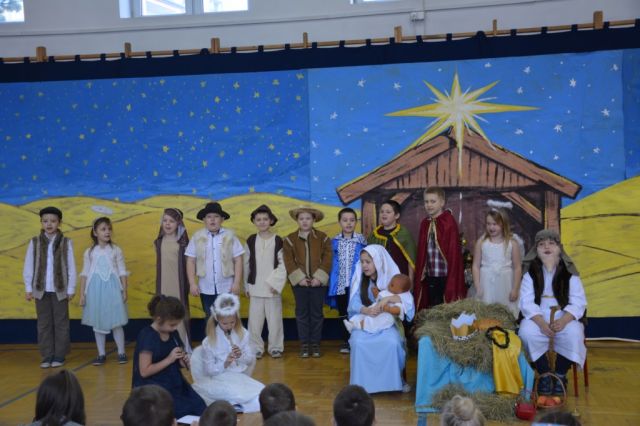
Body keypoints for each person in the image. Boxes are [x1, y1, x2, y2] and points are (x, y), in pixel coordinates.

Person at [518, 229, 587, 397]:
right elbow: (526, 301)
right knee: (526, 333)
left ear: (559, 248)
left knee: (574, 333)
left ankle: (560, 375)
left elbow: (578, 301)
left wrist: (564, 321)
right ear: (536, 250)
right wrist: (541, 323)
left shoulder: (569, 272)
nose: (546, 247)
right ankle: (545, 374)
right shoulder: (531, 272)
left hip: (564, 314)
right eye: (541, 244)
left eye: (551, 243)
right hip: (537, 316)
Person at [347, 245, 414, 393]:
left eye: (368, 262)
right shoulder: (360, 279)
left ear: (377, 261)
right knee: (358, 342)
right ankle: (362, 384)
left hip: (387, 323)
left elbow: (407, 300)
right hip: (367, 320)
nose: (364, 265)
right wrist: (366, 310)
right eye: (362, 262)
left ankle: (396, 381)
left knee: (392, 342)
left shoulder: (392, 279)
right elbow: (353, 303)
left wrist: (387, 299)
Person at [132, 295, 206, 419]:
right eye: (172, 325)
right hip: (153, 387)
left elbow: (177, 361)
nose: (175, 328)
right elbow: (144, 372)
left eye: (177, 324)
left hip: (173, 382)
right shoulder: (147, 336)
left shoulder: (173, 333)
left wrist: (183, 362)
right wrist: (169, 359)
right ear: (159, 319)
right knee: (175, 412)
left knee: (199, 406)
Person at [23, 206, 77, 369]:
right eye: (45, 221)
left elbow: (71, 267)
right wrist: (28, 288)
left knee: (61, 323)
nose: (49, 224)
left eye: (53, 221)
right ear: (41, 222)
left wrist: (71, 289)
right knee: (44, 324)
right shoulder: (35, 242)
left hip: (60, 291)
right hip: (41, 291)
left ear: (59, 223)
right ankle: (47, 355)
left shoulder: (66, 242)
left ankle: (60, 355)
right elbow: (29, 266)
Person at [191, 293, 264, 413]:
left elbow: (250, 360)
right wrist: (224, 364)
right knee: (235, 394)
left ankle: (236, 405)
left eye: (232, 322)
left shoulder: (243, 333)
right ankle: (234, 405)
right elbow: (209, 370)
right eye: (225, 323)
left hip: (239, 376)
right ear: (217, 320)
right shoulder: (208, 341)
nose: (229, 326)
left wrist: (240, 355)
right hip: (219, 378)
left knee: (261, 392)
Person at [283, 206, 332, 358]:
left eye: (308, 218)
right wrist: (300, 279)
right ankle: (304, 344)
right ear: (297, 220)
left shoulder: (323, 238)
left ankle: (315, 344)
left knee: (317, 313)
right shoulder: (290, 239)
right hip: (300, 284)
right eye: (301, 218)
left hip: (318, 284)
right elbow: (288, 260)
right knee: (302, 313)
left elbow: (328, 258)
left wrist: (319, 278)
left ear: (314, 220)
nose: (304, 221)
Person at [79, 217, 129, 366]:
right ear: (95, 232)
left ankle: (121, 352)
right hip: (95, 290)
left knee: (116, 322)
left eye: (109, 229)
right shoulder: (89, 252)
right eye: (103, 229)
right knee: (98, 322)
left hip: (113, 289)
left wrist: (124, 290)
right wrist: (82, 294)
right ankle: (101, 354)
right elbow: (85, 273)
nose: (107, 232)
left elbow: (122, 271)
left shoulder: (116, 250)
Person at [186, 201, 244, 323]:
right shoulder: (197, 237)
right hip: (206, 287)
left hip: (227, 286)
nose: (212, 220)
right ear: (204, 220)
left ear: (222, 219)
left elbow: (238, 260)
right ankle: (212, 336)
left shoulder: (230, 236)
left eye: (216, 216)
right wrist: (192, 283)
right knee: (210, 317)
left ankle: (229, 336)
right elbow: (191, 261)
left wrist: (236, 283)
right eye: (209, 217)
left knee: (229, 317)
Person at [243, 204, 286, 359]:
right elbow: (246, 264)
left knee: (275, 320)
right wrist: (246, 285)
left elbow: (283, 264)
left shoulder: (278, 240)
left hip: (272, 288)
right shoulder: (251, 240)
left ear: (271, 221)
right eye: (259, 219)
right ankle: (255, 348)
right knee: (254, 321)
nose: (262, 222)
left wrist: (276, 284)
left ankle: (276, 347)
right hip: (255, 287)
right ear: (254, 221)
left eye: (265, 219)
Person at [414, 187, 466, 310]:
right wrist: (423, 269)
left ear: (442, 202)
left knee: (446, 305)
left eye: (433, 201)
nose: (429, 205)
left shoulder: (448, 221)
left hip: (446, 274)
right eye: (426, 202)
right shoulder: (425, 223)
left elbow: (453, 250)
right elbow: (422, 251)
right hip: (431, 273)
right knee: (433, 304)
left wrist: (452, 273)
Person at [327, 207, 367, 354]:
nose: (348, 223)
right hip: (340, 284)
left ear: (356, 222)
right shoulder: (334, 242)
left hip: (357, 284)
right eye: (345, 220)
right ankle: (346, 341)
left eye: (352, 220)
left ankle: (358, 339)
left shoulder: (362, 241)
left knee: (357, 310)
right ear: (339, 222)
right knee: (343, 312)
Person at [471, 207, 522, 316]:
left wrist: (515, 289)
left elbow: (517, 268)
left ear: (503, 224)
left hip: (506, 283)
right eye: (488, 224)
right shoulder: (482, 242)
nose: (491, 227)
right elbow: (475, 266)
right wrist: (477, 285)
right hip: (486, 283)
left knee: (505, 312)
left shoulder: (512, 243)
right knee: (486, 312)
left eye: (495, 224)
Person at [154, 208, 192, 353]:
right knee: (164, 312)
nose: (168, 224)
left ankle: (183, 346)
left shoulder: (183, 243)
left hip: (178, 285)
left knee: (178, 312)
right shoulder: (159, 242)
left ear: (179, 224)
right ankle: (166, 346)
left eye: (172, 221)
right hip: (163, 284)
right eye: (165, 220)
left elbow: (189, 264)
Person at [344, 273, 412, 334]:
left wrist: (388, 309)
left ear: (400, 291)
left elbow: (398, 310)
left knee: (378, 320)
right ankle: (353, 322)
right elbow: (379, 300)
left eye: (392, 285)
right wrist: (376, 294)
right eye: (390, 282)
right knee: (366, 313)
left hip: (387, 315)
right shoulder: (387, 292)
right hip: (376, 310)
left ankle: (357, 326)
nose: (389, 285)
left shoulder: (399, 300)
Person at [367, 200, 416, 282]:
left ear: (397, 215)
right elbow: (369, 258)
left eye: (388, 212)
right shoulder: (374, 235)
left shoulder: (404, 234)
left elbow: (411, 261)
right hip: (379, 280)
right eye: (382, 212)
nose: (384, 214)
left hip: (400, 279)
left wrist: (410, 282)